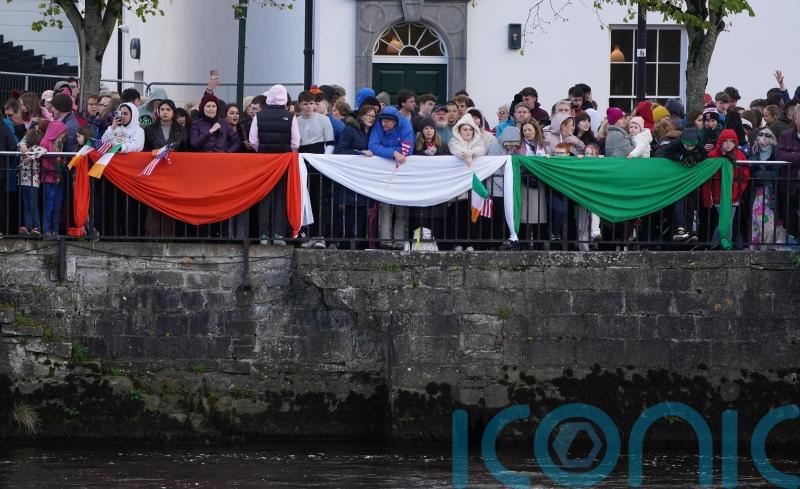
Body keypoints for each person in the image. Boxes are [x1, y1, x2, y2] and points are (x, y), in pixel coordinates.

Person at [250, 84, 300, 245]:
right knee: (280, 198)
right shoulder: (291, 116)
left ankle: (263, 235)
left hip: (264, 162)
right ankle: (278, 234)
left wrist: (262, 151)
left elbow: (253, 140)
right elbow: (295, 142)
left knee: (264, 196)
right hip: (283, 162)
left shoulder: (259, 116)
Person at [332, 104, 378, 248]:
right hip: (350, 181)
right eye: (369, 115)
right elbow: (339, 151)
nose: (372, 118)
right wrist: (359, 153)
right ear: (361, 116)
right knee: (351, 215)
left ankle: (359, 246)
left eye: (374, 116)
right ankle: (348, 246)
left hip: (365, 180)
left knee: (363, 215)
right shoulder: (350, 130)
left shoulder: (373, 133)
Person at [369, 106, 414, 249]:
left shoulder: (405, 125)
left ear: (395, 121)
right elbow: (373, 145)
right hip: (384, 173)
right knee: (385, 207)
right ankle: (385, 242)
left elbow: (408, 149)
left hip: (401, 173)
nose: (384, 124)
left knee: (401, 208)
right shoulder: (379, 125)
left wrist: (385, 151)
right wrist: (393, 153)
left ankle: (399, 242)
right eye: (383, 121)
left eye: (387, 121)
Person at [701, 128, 750, 244]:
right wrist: (708, 197)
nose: (729, 144)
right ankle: (724, 246)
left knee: (727, 222)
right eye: (726, 141)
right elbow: (706, 179)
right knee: (727, 222)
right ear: (721, 141)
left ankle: (715, 246)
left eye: (731, 141)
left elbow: (745, 176)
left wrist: (738, 190)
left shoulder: (740, 155)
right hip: (718, 195)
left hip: (733, 195)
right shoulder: (712, 155)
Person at [664, 128, 706, 242]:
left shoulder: (699, 145)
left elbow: (704, 154)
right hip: (678, 181)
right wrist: (681, 157)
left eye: (692, 146)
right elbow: (667, 153)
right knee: (679, 203)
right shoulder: (675, 144)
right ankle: (679, 229)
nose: (690, 148)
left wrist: (696, 158)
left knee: (690, 205)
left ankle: (689, 231)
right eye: (687, 146)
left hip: (691, 181)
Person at [749, 127, 779, 247]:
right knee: (756, 219)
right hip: (757, 192)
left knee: (769, 220)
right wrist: (763, 173)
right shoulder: (755, 152)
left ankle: (767, 245)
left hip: (770, 192)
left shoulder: (776, 153)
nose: (763, 143)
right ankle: (756, 244)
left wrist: (760, 173)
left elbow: (776, 173)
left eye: (766, 141)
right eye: (761, 141)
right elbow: (751, 171)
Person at [775, 105, 800, 240]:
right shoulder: (785, 135)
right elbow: (780, 155)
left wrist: (793, 157)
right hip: (790, 185)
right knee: (791, 221)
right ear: (795, 118)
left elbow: (787, 155)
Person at [39, 119, 67, 237]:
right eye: (62, 132)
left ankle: (55, 231)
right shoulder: (45, 142)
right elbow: (44, 164)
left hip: (58, 179)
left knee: (57, 206)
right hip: (49, 180)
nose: (64, 135)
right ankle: (47, 231)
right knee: (49, 206)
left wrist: (61, 162)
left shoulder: (57, 143)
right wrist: (57, 162)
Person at [17, 122, 45, 235]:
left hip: (33, 182)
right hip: (23, 181)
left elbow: (44, 150)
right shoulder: (24, 148)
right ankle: (28, 227)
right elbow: (19, 144)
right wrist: (22, 145)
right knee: (27, 206)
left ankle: (36, 227)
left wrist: (32, 157)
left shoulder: (37, 148)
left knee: (33, 205)